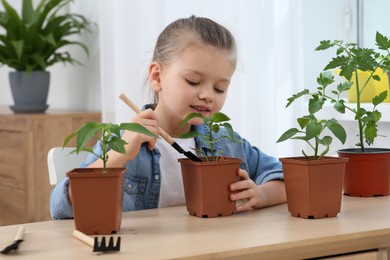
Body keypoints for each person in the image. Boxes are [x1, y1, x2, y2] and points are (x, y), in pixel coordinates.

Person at [50, 15, 286, 219]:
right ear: (157, 76)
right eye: (193, 81)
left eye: (220, 88)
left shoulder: (226, 142)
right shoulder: (124, 140)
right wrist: (118, 155)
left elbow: (286, 180)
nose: (207, 96)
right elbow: (61, 207)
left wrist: (262, 194)